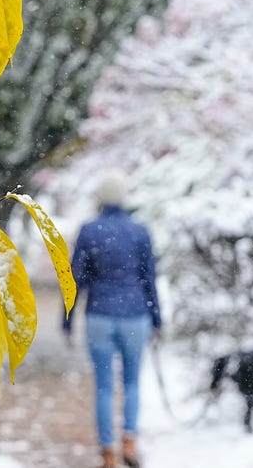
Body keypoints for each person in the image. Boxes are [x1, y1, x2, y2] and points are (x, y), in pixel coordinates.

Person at [63, 168, 161, 468]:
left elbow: (75, 278)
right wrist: (157, 319)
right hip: (135, 316)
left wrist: (66, 318)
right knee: (131, 382)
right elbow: (149, 279)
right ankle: (129, 442)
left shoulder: (89, 230)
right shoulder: (140, 231)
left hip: (100, 316)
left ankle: (107, 453)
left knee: (104, 386)